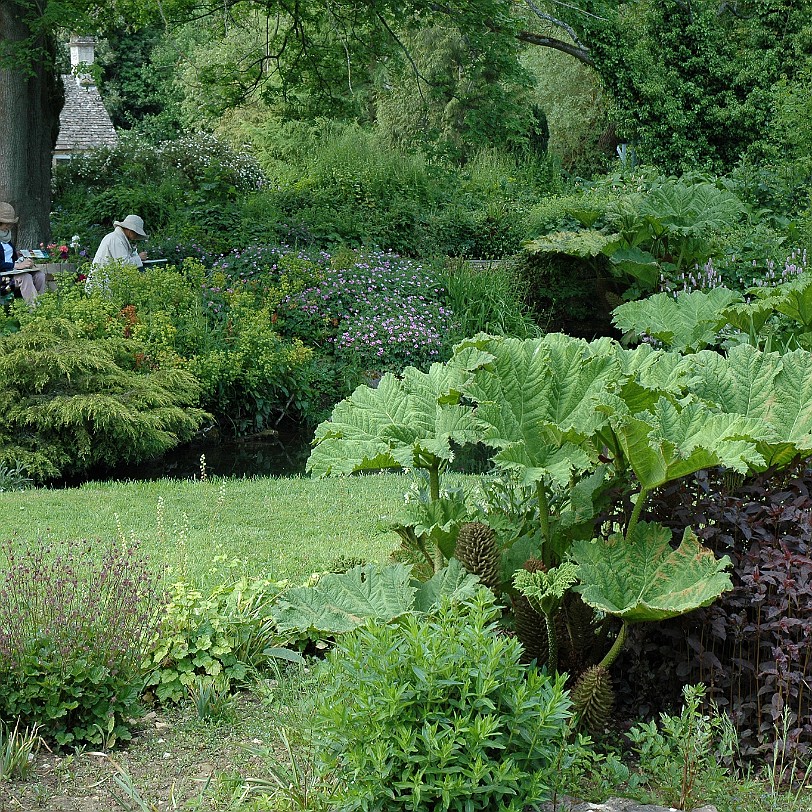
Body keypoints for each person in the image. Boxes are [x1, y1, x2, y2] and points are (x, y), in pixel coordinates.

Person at [85, 214, 148, 292]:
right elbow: (123, 264)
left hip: (104, 283)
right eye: (136, 233)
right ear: (130, 230)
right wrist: (139, 258)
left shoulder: (116, 238)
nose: (136, 235)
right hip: (100, 285)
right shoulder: (116, 240)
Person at [0, 202, 46, 303]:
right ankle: (34, 308)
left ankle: (43, 304)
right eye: (6, 223)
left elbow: (9, 257)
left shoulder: (6, 238)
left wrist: (21, 259)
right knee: (25, 277)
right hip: (2, 281)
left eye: (10, 224)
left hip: (12, 274)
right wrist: (17, 266)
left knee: (39, 275)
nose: (8, 226)